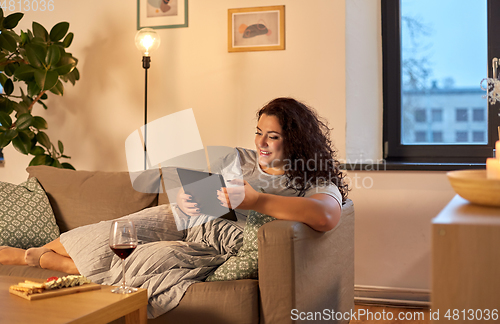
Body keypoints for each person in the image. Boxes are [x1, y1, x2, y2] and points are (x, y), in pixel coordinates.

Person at [0, 97, 348, 276]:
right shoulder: (240, 158)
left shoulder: (310, 176)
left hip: (222, 240)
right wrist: (190, 195)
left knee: (145, 260)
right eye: (258, 132)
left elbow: (327, 216)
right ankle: (31, 253)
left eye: (272, 136)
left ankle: (50, 263)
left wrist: (257, 200)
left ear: (297, 140)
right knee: (115, 233)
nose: (262, 142)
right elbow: (210, 192)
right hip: (190, 219)